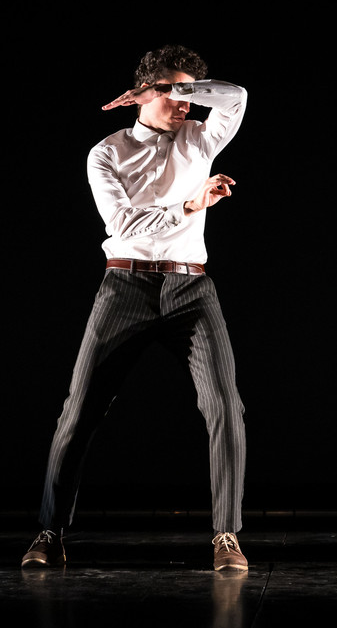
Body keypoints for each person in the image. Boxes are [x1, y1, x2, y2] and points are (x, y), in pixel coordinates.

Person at [21, 44, 249, 572]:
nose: (184, 104)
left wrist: (178, 88)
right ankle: (50, 532)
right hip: (125, 285)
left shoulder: (201, 136)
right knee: (79, 408)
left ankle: (226, 535)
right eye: (171, 92)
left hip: (192, 289)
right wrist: (189, 205)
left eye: (188, 92)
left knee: (225, 405)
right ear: (144, 92)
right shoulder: (107, 152)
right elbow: (124, 226)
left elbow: (236, 96)